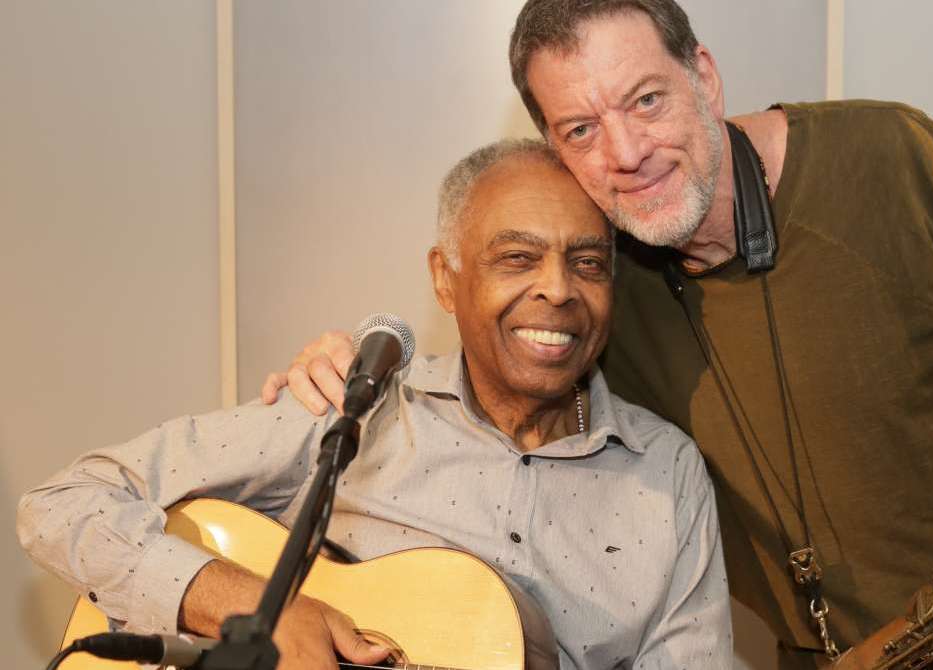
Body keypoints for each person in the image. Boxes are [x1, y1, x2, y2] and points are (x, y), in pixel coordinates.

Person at [263, 1, 933, 668]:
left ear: (704, 78)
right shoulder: (594, 273)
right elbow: (494, 342)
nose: (625, 152)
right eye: (580, 129)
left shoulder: (889, 152)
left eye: (646, 100)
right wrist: (350, 362)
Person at [18, 139, 733, 670]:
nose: (558, 289)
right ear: (445, 280)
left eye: (588, 263)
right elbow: (60, 505)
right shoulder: (350, 410)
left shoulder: (667, 477)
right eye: (516, 258)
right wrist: (251, 606)